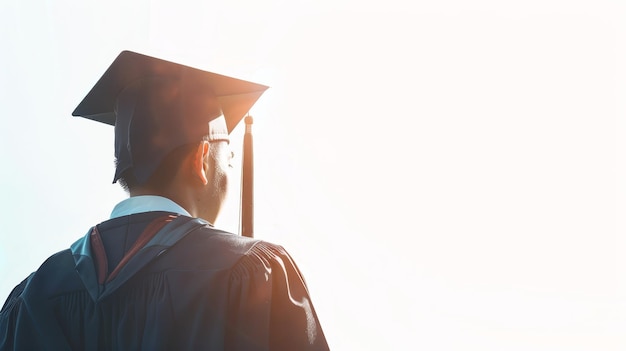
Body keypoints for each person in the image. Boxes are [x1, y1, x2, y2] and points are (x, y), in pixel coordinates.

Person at [0, 51, 329, 350]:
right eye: (227, 159)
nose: (227, 169)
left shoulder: (32, 296)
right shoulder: (253, 272)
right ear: (201, 160)